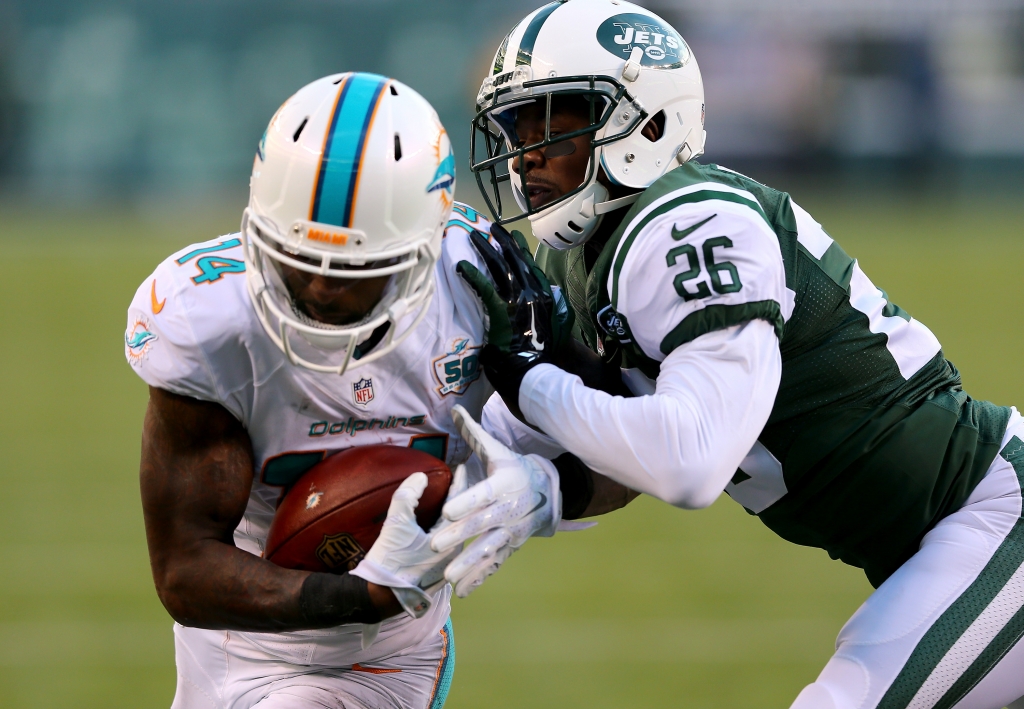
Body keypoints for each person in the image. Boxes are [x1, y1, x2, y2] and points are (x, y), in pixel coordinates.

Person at [428, 2, 1024, 708]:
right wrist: (459, 481)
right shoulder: (583, 255)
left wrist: (532, 383)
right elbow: (616, 430)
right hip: (941, 542)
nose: (527, 152)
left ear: (646, 123)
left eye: (554, 121)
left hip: (994, 519)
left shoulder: (690, 222)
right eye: (517, 125)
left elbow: (689, 459)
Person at [124, 72, 572, 709]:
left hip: (397, 652)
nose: (320, 288)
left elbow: (624, 446)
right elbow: (184, 568)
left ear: (423, 250)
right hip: (240, 641)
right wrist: (367, 592)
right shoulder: (209, 323)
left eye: (356, 267)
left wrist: (541, 486)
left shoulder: (478, 287)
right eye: (296, 257)